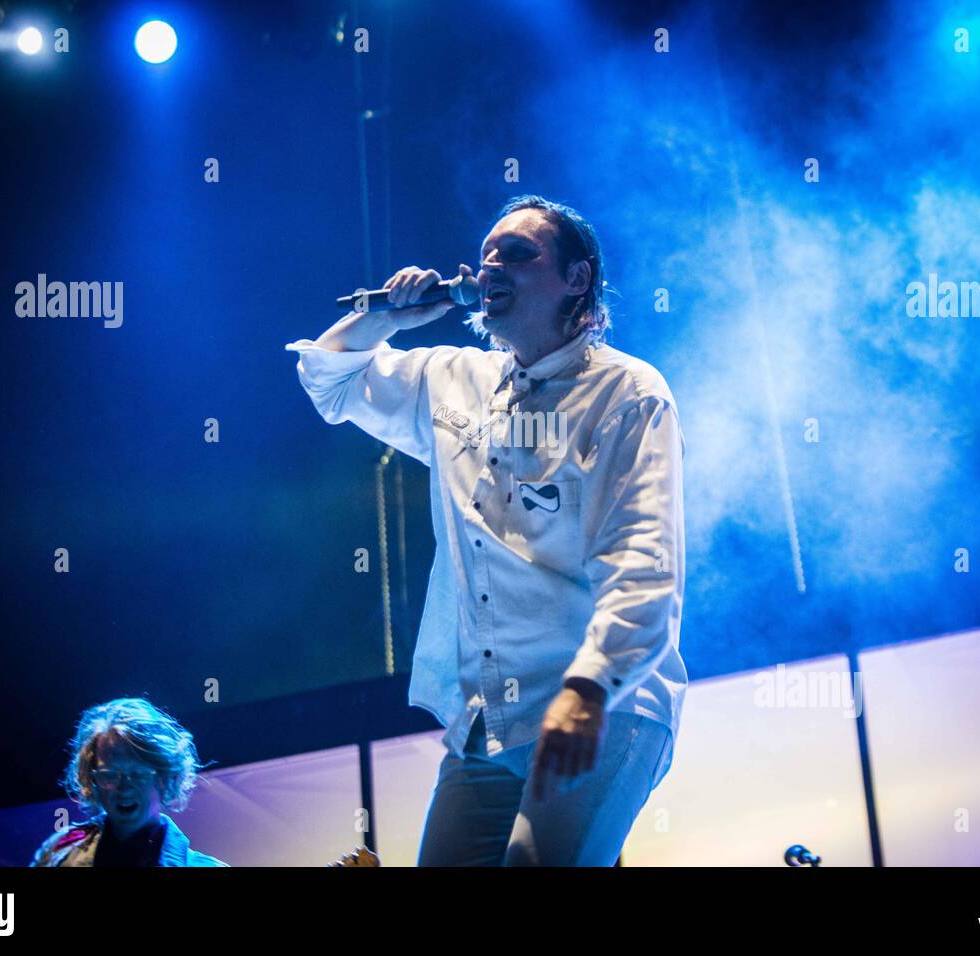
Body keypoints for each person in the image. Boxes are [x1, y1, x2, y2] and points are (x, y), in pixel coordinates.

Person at [289, 195, 687, 866]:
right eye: (486, 256)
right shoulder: (452, 381)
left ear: (577, 279)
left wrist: (591, 686)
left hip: (601, 702)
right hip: (486, 721)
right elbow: (327, 380)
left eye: (520, 254)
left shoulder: (628, 392)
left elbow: (644, 558)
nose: (492, 265)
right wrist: (386, 317)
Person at [29, 697, 227, 867]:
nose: (124, 787)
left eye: (138, 774)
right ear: (92, 780)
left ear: (166, 778)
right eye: (110, 775)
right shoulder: (58, 854)